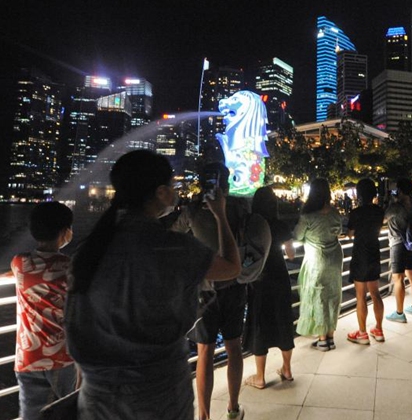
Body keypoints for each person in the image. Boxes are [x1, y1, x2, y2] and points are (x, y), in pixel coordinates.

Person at [66, 150, 241, 420]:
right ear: (161, 192)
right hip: (159, 397)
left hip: (97, 401)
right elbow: (231, 268)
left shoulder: (89, 251)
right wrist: (220, 215)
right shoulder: (172, 247)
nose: (175, 191)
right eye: (171, 186)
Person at [168, 163, 263, 419]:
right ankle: (233, 408)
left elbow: (172, 236)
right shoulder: (240, 207)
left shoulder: (194, 210)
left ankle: (204, 416)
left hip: (204, 290)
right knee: (233, 347)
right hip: (234, 285)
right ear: (227, 182)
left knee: (204, 352)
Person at [12, 202, 77, 420]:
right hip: (61, 356)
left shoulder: (19, 263)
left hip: (27, 356)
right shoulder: (70, 267)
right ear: (64, 232)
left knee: (31, 414)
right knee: (70, 411)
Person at [243, 186, 296, 387]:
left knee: (259, 323)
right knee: (283, 319)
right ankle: (287, 369)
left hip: (259, 278)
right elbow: (291, 255)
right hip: (280, 275)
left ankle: (260, 377)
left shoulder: (252, 224)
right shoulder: (281, 225)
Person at [294, 178, 344, 351]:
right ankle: (330, 336)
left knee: (318, 295)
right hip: (335, 258)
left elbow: (298, 236)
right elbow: (339, 231)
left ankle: (322, 339)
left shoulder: (308, 216)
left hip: (317, 259)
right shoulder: (335, 213)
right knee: (333, 294)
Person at [345, 179, 386, 344]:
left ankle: (362, 333)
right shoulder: (379, 211)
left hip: (360, 255)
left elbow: (349, 233)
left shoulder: (355, 213)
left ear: (359, 194)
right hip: (374, 253)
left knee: (360, 296)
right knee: (375, 294)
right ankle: (379, 329)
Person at [384, 178, 412, 322]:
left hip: (399, 243)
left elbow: (383, 219)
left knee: (398, 278)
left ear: (399, 190)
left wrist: (388, 202)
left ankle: (399, 313)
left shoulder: (396, 207)